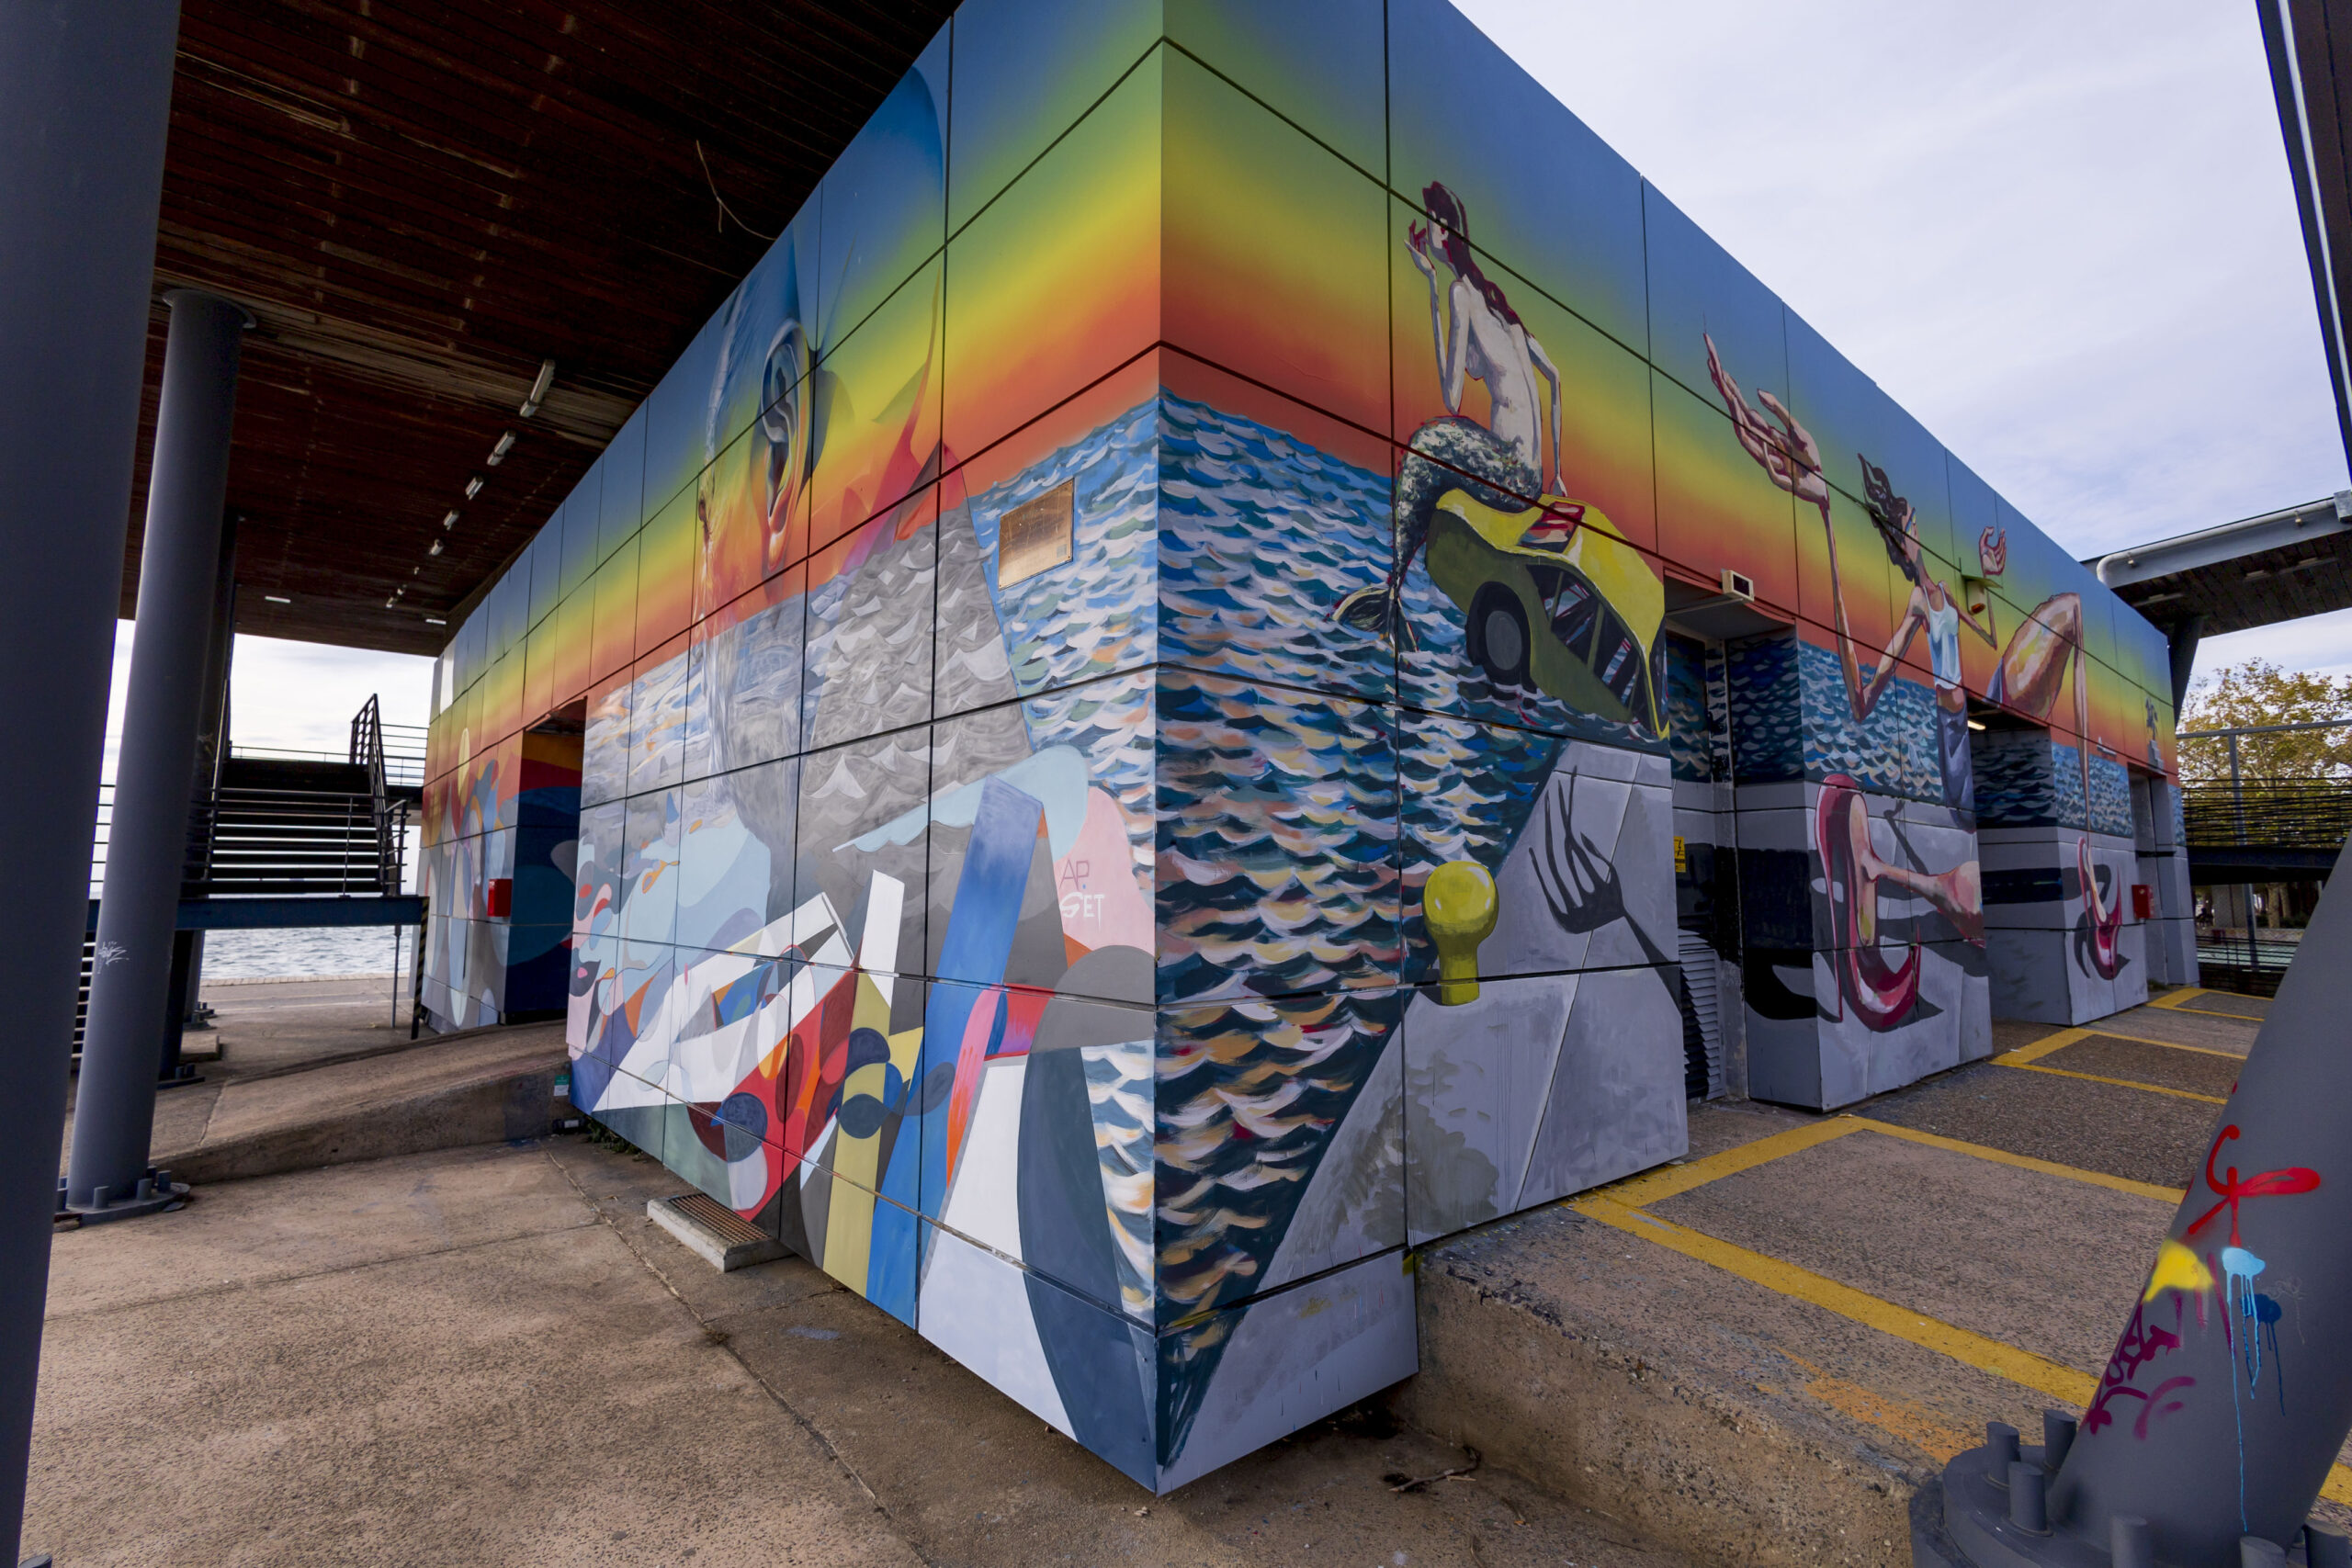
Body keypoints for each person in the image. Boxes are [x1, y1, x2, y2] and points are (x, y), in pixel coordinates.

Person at [1338, 181, 1564, 648]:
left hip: (1509, 471)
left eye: (1432, 221)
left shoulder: (1462, 294)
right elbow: (1555, 378)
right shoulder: (1503, 310)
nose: (1428, 231)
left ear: (1445, 230)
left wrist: (1432, 288)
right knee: (1442, 447)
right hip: (1533, 476)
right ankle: (1398, 585)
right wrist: (1557, 475)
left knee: (1427, 444)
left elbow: (1452, 397)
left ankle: (1392, 587)